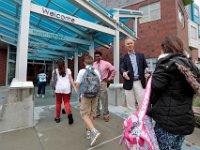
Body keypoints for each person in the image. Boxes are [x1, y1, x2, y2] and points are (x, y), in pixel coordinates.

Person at [147, 35, 198, 150]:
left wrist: (150, 77)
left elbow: (155, 87)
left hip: (168, 122)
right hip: (185, 120)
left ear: (165, 47)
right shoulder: (190, 65)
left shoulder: (166, 64)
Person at [75, 55, 101, 146]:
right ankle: (89, 131)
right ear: (92, 62)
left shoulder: (82, 71)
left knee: (84, 114)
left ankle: (94, 131)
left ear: (84, 63)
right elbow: (99, 84)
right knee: (91, 114)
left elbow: (77, 84)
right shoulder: (96, 71)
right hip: (95, 95)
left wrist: (78, 94)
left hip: (85, 96)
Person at [120, 37, 148, 114]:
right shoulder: (123, 57)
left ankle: (143, 121)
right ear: (125, 45)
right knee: (130, 105)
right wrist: (124, 73)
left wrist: (146, 72)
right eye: (127, 44)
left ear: (133, 43)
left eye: (131, 43)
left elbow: (145, 66)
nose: (129, 45)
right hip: (128, 82)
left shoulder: (141, 55)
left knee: (142, 103)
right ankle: (133, 122)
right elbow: (121, 68)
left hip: (139, 82)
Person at [93, 51, 116, 122]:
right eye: (96, 56)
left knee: (104, 99)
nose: (97, 57)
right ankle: (97, 113)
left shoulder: (106, 63)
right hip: (95, 83)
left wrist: (109, 79)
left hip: (103, 83)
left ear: (101, 56)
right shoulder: (93, 64)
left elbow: (113, 70)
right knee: (96, 99)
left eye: (98, 56)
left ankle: (106, 114)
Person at [53, 59, 77, 124]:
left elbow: (53, 80)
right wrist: (74, 87)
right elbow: (71, 79)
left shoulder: (55, 70)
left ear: (58, 65)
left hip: (58, 88)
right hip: (66, 88)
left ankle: (57, 118)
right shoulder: (68, 70)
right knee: (66, 102)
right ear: (64, 64)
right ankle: (69, 115)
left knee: (58, 103)